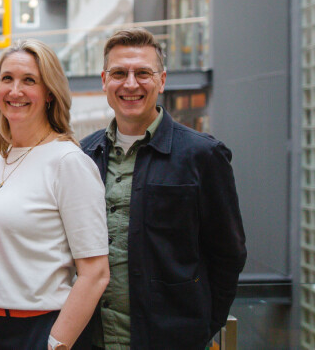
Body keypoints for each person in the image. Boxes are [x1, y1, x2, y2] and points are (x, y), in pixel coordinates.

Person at [80, 28, 247, 349]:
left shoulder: (203, 155)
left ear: (162, 80)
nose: (130, 84)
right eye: (119, 73)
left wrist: (202, 329)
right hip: (93, 340)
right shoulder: (84, 155)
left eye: (143, 73)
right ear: (104, 81)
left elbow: (229, 254)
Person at [0, 39, 110, 350]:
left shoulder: (68, 162)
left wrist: (55, 345)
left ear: (49, 93)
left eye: (29, 80)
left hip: (38, 330)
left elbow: (95, 274)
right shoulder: (0, 162)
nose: (15, 90)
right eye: (7, 78)